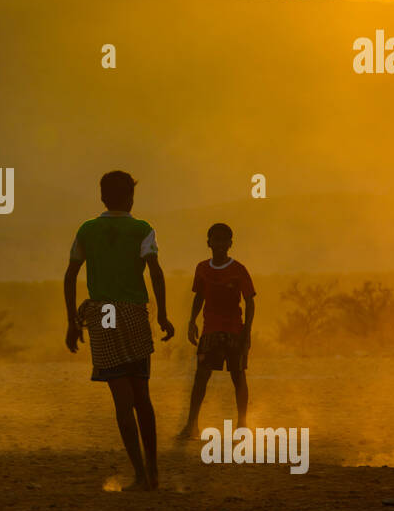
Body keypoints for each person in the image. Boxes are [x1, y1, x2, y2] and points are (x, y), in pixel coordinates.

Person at [64, 171, 174, 491]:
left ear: (101, 197)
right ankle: (153, 471)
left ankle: (139, 474)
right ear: (131, 198)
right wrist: (163, 314)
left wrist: (72, 321)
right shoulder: (143, 229)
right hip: (134, 313)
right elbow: (155, 271)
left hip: (104, 314)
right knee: (143, 396)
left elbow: (71, 276)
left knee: (122, 402)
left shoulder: (87, 230)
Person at [177, 223, 255, 438]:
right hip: (209, 330)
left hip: (233, 331)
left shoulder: (238, 269)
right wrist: (192, 320)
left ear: (230, 243)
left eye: (224, 240)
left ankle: (242, 425)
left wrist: (246, 332)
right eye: (216, 239)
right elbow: (199, 296)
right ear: (208, 242)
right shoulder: (202, 268)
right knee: (201, 377)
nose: (220, 244)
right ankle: (191, 425)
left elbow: (250, 302)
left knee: (238, 376)